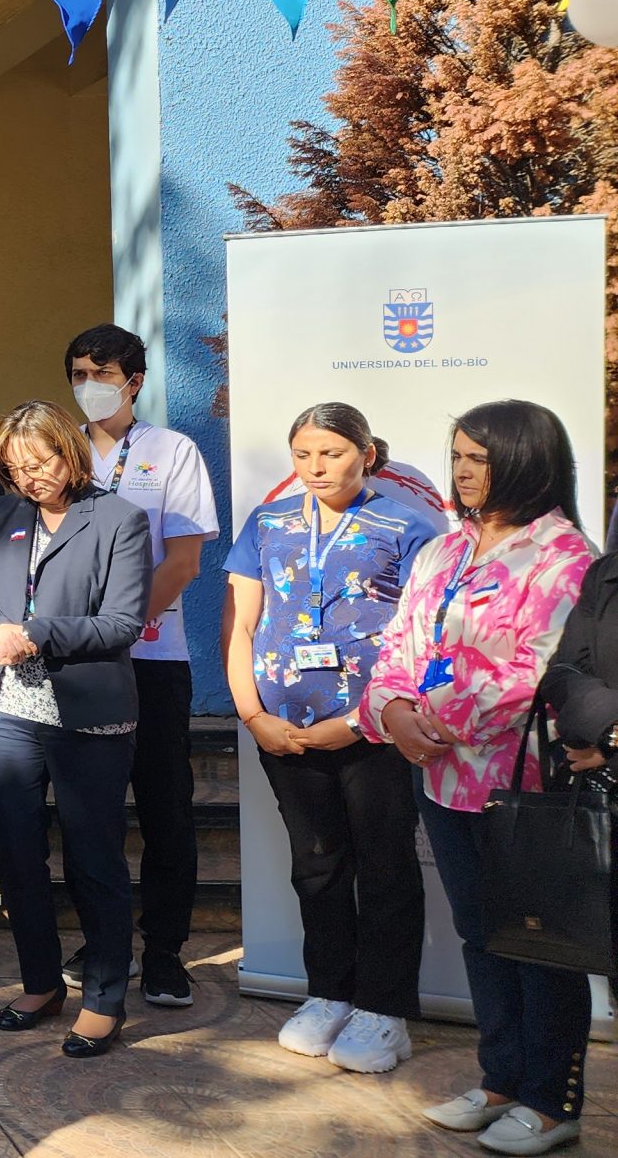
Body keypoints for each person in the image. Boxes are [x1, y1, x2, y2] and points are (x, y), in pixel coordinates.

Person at [359, 400, 594, 1155]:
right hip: (442, 778)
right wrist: (392, 712)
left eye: (479, 458)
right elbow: (396, 645)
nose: (462, 471)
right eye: (457, 454)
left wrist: (431, 723)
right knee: (481, 934)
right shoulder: (442, 550)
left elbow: (531, 671)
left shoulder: (565, 558)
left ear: (528, 460)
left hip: (521, 783)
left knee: (538, 941)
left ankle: (551, 1101)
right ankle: (500, 1079)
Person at [222, 403, 439, 1074]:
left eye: (333, 453)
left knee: (385, 864)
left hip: (372, 727)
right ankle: (329, 993)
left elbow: (423, 636)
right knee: (316, 861)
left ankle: (384, 1007)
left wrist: (354, 720)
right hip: (283, 729)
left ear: (366, 453)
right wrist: (255, 716)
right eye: (305, 454)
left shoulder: (408, 524)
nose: (317, 467)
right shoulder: (269, 522)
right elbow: (238, 621)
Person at [0, 400, 152, 1059]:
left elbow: (123, 622)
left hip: (87, 714)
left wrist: (38, 631)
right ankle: (40, 981)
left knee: (94, 857)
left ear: (69, 449)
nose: (31, 477)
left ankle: (103, 996)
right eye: (16, 468)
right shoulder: (2, 515)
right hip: (5, 710)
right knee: (15, 855)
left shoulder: (120, 519)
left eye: (40, 462)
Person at [63, 323, 214, 1008]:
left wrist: (120, 629)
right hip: (79, 663)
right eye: (77, 373)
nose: (88, 386)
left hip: (151, 657)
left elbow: (183, 559)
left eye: (101, 373)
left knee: (164, 809)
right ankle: (103, 940)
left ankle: (164, 951)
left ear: (134, 381)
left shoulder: (172, 451)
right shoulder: (61, 453)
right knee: (89, 811)